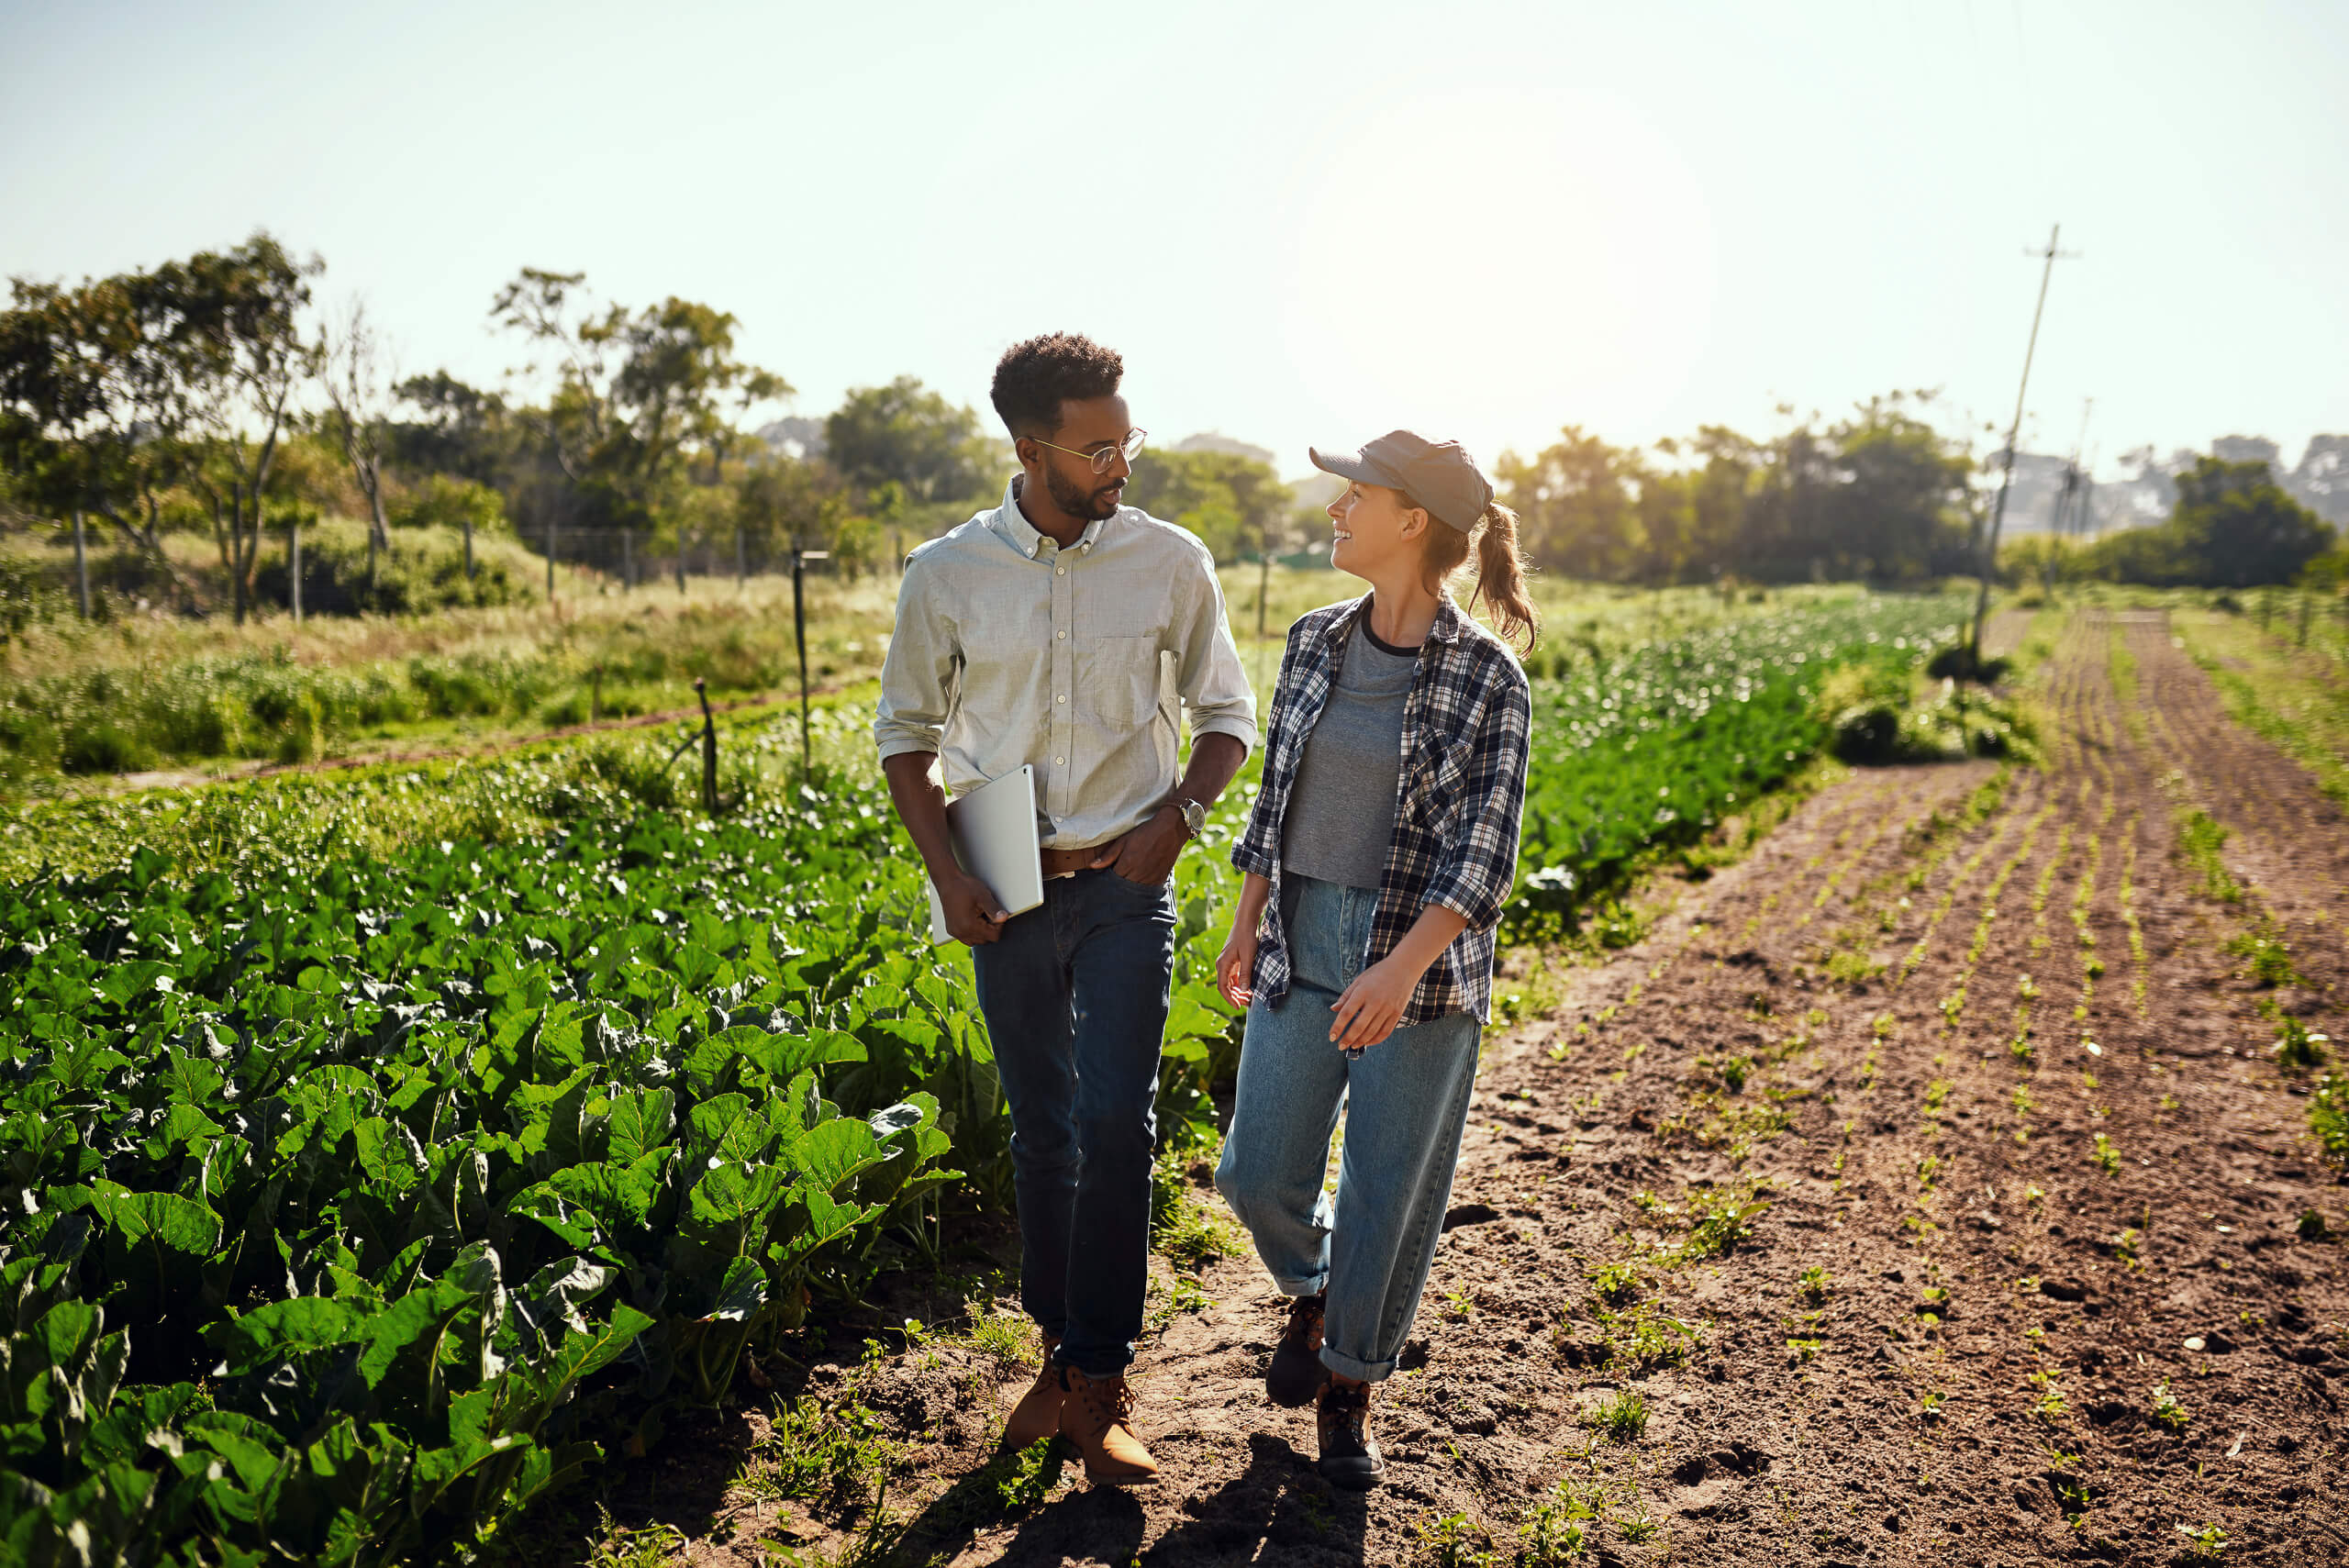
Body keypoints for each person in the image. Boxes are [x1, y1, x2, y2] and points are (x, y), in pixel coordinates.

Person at [874, 332, 1256, 1485]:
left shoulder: (1169, 560)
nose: (1121, 463)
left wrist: (1177, 819)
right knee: (1040, 1131)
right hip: (1010, 886)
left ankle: (1099, 1377)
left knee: (1115, 1123)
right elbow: (905, 739)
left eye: (1126, 439)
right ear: (1031, 449)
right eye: (1099, 447)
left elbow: (1226, 715)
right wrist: (951, 877)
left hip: (1129, 885)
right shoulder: (946, 573)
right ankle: (1055, 1357)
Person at [1212, 430, 1535, 1492]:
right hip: (1302, 933)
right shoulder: (1312, 641)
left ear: (1412, 522)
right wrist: (1247, 910)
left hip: (1421, 962)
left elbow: (1485, 849)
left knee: (1389, 1190)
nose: (1336, 509)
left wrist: (1400, 965)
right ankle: (1316, 1286)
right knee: (1253, 1172)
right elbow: (1275, 793)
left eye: (1356, 495)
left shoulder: (1489, 677)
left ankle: (1349, 1385)